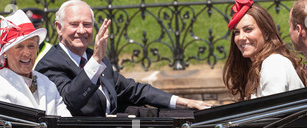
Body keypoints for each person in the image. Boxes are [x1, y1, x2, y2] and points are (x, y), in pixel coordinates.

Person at [35, 0, 211, 117]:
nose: (81, 30)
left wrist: (183, 102)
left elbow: (133, 90)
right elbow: (71, 100)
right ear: (59, 28)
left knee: (184, 117)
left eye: (87, 25)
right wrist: (95, 61)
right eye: (74, 24)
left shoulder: (94, 57)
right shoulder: (50, 63)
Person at [0, 10, 72, 117]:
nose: (27, 53)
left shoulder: (46, 82)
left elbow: (65, 120)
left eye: (31, 46)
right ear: (5, 52)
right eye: (19, 47)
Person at [224, 0, 307, 101]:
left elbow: (271, 114)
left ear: (266, 33)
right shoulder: (262, 64)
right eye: (237, 32)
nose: (241, 37)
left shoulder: (273, 63)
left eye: (248, 29)